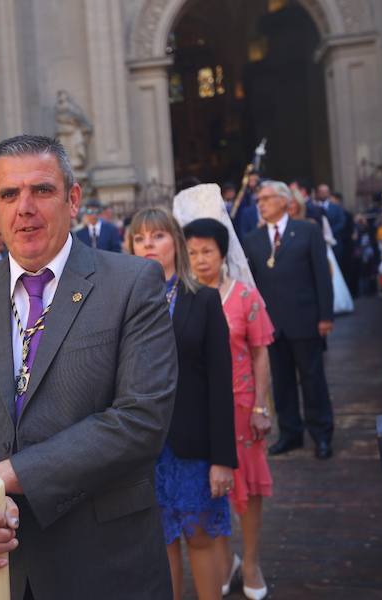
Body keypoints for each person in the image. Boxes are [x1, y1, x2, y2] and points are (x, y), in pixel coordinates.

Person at [0, 135, 177, 599]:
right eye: (9, 195)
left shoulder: (132, 284)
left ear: (72, 198)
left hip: (103, 565)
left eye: (42, 190)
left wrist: (0, 478)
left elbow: (140, 421)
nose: (25, 208)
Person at [128, 208, 235, 600]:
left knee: (200, 537)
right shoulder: (123, 302)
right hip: (143, 445)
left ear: (175, 242)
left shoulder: (203, 300)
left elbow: (221, 384)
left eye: (157, 236)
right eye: (140, 239)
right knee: (160, 545)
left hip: (193, 443)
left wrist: (223, 457)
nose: (148, 245)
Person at [183, 217, 273, 600]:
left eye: (207, 251)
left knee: (249, 490)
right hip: (199, 414)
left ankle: (251, 561)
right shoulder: (181, 300)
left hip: (240, 405)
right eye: (192, 252)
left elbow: (260, 354)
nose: (200, 260)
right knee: (209, 491)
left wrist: (261, 406)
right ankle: (224, 559)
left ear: (223, 253)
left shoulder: (244, 297)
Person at [242, 180, 335, 460]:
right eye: (259, 200)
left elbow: (322, 275)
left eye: (267, 198)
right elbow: (251, 284)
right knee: (281, 383)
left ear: (284, 201)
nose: (262, 203)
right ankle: (290, 434)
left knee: (313, 380)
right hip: (271, 325)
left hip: (305, 319)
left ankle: (321, 435)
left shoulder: (307, 231)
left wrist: (326, 316)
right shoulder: (253, 238)